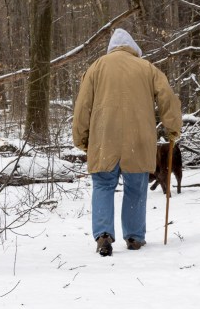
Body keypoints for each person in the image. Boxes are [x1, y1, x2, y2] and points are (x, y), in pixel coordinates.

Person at [72, 28, 181, 256]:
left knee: (103, 185)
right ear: (133, 49)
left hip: (104, 136)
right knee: (136, 187)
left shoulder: (96, 68)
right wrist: (172, 130)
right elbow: (167, 98)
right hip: (138, 138)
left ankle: (103, 235)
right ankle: (134, 237)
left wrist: (81, 138)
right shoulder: (147, 68)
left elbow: (83, 105)